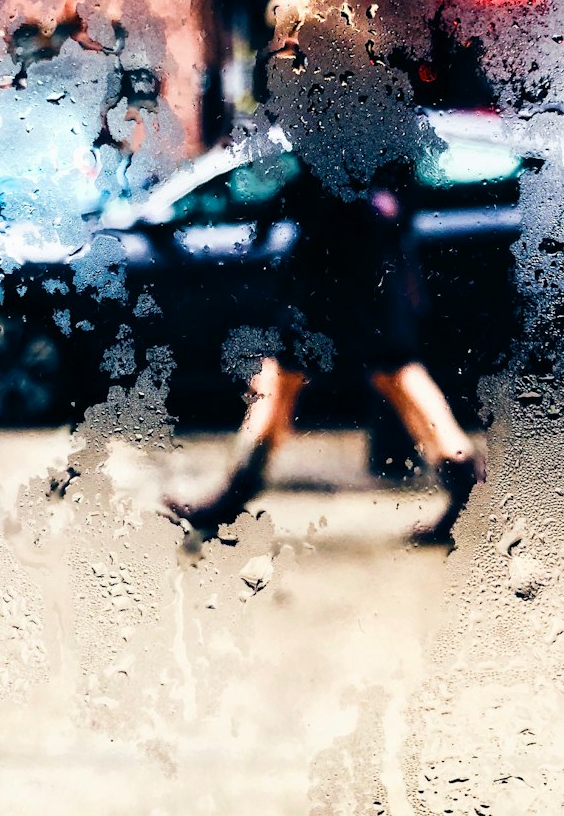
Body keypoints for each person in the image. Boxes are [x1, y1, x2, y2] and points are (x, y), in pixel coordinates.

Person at [163, 143, 485, 546]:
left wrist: (289, 206)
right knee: (369, 378)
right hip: (348, 275)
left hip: (340, 276)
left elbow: (364, 193)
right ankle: (464, 485)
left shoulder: (348, 119)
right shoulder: (358, 122)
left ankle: (232, 496)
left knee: (379, 378)